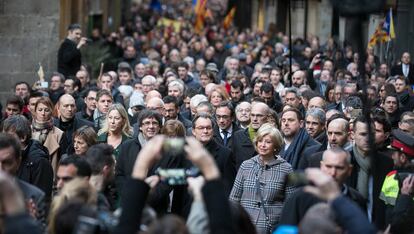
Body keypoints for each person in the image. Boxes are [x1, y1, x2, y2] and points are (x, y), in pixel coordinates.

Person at [230, 123, 295, 233]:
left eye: (268, 142)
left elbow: (290, 204)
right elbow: (234, 198)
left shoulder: (287, 168)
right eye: (260, 141)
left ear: (276, 146)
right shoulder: (246, 165)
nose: (263, 145)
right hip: (245, 227)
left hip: (271, 227)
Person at [280, 148, 366, 225]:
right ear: (321, 166)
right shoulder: (300, 197)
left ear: (349, 170)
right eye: (328, 166)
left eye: (339, 168)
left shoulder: (357, 200)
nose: (333, 173)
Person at [2, 115, 54, 204]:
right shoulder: (7, 156)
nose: (5, 140)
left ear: (23, 137)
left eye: (9, 136)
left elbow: (41, 199)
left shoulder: (39, 161)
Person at [0, 133, 47, 228]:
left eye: (7, 162)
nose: (0, 169)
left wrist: (30, 224)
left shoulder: (35, 197)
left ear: (18, 162)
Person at [379, 129, 414, 233]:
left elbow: (389, 215)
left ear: (403, 157)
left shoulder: (392, 177)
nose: (392, 156)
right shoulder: (391, 176)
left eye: (394, 153)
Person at [192, 113, 236, 194]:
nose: (205, 131)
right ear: (194, 131)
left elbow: (229, 187)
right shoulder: (185, 152)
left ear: (213, 130)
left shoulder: (225, 154)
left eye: (208, 128)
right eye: (201, 128)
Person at [31, 97, 67, 173]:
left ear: (51, 111)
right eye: (40, 110)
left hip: (49, 174)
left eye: (46, 110)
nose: (43, 113)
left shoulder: (59, 134)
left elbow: (62, 160)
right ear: (35, 111)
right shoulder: (28, 130)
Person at [232, 102, 269, 169]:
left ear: (267, 117)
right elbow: (233, 162)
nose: (255, 119)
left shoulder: (274, 136)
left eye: (259, 115)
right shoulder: (238, 136)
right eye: (252, 115)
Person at [85, 143, 117, 210]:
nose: (115, 171)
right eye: (113, 167)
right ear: (106, 170)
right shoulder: (101, 203)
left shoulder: (77, 195)